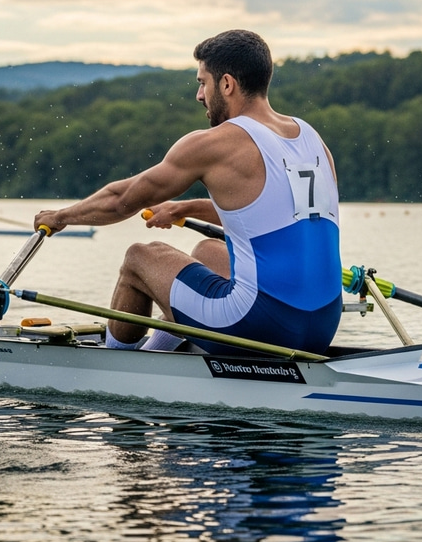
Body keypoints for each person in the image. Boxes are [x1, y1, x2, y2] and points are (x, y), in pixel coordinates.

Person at [34, 29, 342, 356]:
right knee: (208, 252)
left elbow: (121, 200)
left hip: (261, 326)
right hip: (321, 326)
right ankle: (163, 350)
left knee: (140, 257)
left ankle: (116, 366)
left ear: (226, 84)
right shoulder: (312, 140)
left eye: (202, 82)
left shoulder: (215, 144)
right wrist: (186, 209)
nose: (199, 95)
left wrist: (61, 216)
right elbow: (273, 211)